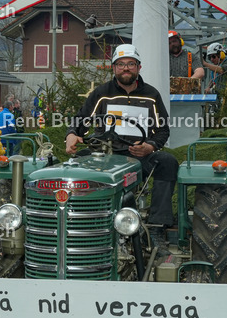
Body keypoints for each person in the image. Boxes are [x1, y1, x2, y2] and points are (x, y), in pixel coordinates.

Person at [65, 44, 179, 246]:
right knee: (76, 164)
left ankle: (157, 227)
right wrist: (72, 134)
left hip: (139, 155)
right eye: (121, 64)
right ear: (114, 68)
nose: (126, 68)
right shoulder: (102, 93)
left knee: (167, 162)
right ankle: (78, 222)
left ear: (138, 67)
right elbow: (80, 120)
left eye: (131, 64)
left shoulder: (151, 95)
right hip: (104, 154)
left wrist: (149, 146)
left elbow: (163, 130)